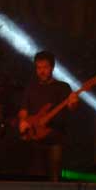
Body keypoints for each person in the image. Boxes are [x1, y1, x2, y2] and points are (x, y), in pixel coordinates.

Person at [18, 51, 79, 181]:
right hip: (35, 140)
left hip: (55, 140)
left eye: (45, 67)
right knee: (35, 179)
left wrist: (73, 103)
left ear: (52, 67)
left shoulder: (63, 87)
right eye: (39, 68)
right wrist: (23, 121)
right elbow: (23, 110)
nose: (42, 71)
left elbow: (72, 108)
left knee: (54, 179)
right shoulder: (30, 88)